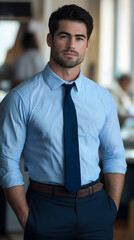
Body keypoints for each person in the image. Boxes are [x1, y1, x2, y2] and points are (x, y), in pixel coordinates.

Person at [0, 4, 127, 240]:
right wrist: (26, 218)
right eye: (64, 36)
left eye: (79, 38)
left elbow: (114, 155)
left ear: (87, 44)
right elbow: (7, 163)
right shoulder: (20, 99)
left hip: (96, 208)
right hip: (45, 208)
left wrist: (111, 208)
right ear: (50, 39)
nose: (71, 45)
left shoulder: (101, 97)